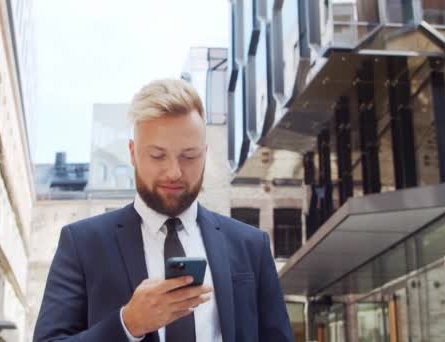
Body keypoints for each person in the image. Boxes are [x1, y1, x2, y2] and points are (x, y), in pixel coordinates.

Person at [33, 79, 293, 342]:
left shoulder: (251, 245)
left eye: (189, 156)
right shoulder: (83, 244)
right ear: (133, 154)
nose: (174, 172)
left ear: (204, 154)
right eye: (157, 156)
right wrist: (127, 324)